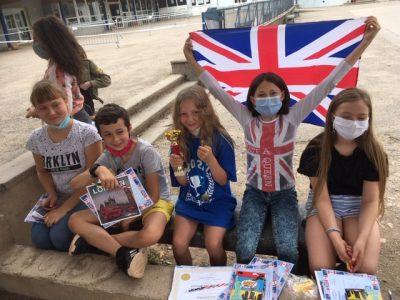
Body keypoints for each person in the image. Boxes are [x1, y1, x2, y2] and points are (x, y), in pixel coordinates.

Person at [183, 16, 380, 266]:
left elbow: (329, 80)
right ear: (252, 100)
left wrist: (364, 42)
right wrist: (191, 59)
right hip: (254, 194)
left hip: (284, 195)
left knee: (289, 251)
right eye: (261, 95)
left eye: (273, 94)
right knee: (244, 249)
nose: (267, 98)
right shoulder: (246, 118)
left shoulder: (292, 117)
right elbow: (217, 89)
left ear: (283, 95)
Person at [68, 103, 174, 279]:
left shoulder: (145, 152)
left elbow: (154, 196)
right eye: (108, 135)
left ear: (129, 128)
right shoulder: (108, 156)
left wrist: (132, 215)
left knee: (151, 234)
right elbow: (74, 184)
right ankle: (121, 252)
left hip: (154, 202)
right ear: (101, 136)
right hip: (123, 201)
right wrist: (98, 170)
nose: (115, 140)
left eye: (120, 132)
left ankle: (93, 242)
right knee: (75, 220)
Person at [298, 88, 388, 275]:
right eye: (346, 116)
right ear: (332, 116)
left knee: (366, 268)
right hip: (324, 207)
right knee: (321, 268)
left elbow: (370, 201)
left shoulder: (374, 154)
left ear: (369, 119)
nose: (354, 123)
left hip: (358, 208)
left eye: (361, 117)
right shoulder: (316, 151)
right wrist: (335, 238)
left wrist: (362, 240)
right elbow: (321, 199)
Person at [26, 80, 102, 251]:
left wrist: (63, 210)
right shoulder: (36, 138)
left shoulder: (87, 133)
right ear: (36, 110)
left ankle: (92, 246)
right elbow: (42, 171)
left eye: (55, 104)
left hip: (87, 195)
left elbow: (92, 177)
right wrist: (52, 193)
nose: (51, 112)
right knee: (39, 238)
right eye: (43, 107)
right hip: (59, 195)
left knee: (59, 238)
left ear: (66, 102)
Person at [169, 85, 237, 266]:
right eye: (183, 114)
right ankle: (186, 279)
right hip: (190, 200)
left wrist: (212, 161)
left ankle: (218, 278)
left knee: (213, 245)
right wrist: (178, 167)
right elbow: (183, 182)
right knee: (178, 244)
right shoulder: (178, 141)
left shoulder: (221, 139)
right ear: (178, 116)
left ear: (205, 111)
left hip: (218, 203)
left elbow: (223, 180)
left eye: (195, 112)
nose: (189, 119)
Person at [26, 15, 91, 124]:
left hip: (72, 121)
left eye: (36, 40)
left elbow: (66, 106)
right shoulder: (58, 63)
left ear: (50, 42)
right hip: (76, 117)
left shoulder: (59, 71)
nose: (35, 45)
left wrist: (38, 111)